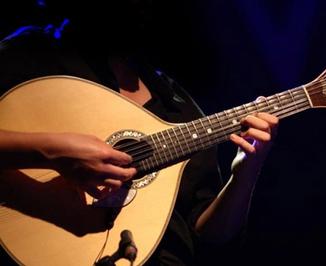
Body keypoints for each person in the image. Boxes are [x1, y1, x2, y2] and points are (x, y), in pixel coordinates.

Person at [0, 1, 278, 265]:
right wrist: (51, 152)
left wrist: (245, 173)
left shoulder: (178, 107)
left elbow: (212, 235)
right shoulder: (31, 55)